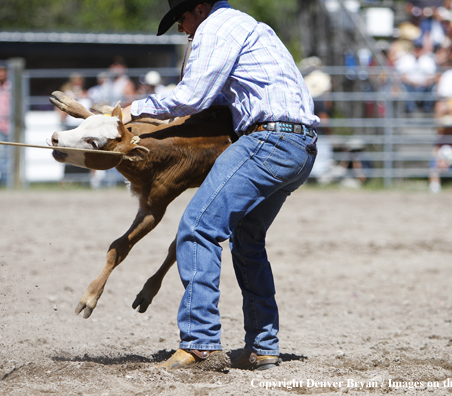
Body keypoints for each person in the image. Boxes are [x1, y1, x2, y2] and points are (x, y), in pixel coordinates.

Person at [121, 0, 318, 370]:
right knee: (247, 241)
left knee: (197, 227)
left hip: (268, 139)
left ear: (199, 7)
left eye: (181, 18)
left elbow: (191, 97)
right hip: (300, 146)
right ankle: (262, 346)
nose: (182, 28)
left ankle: (200, 345)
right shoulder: (249, 26)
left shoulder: (215, 28)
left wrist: (129, 111)